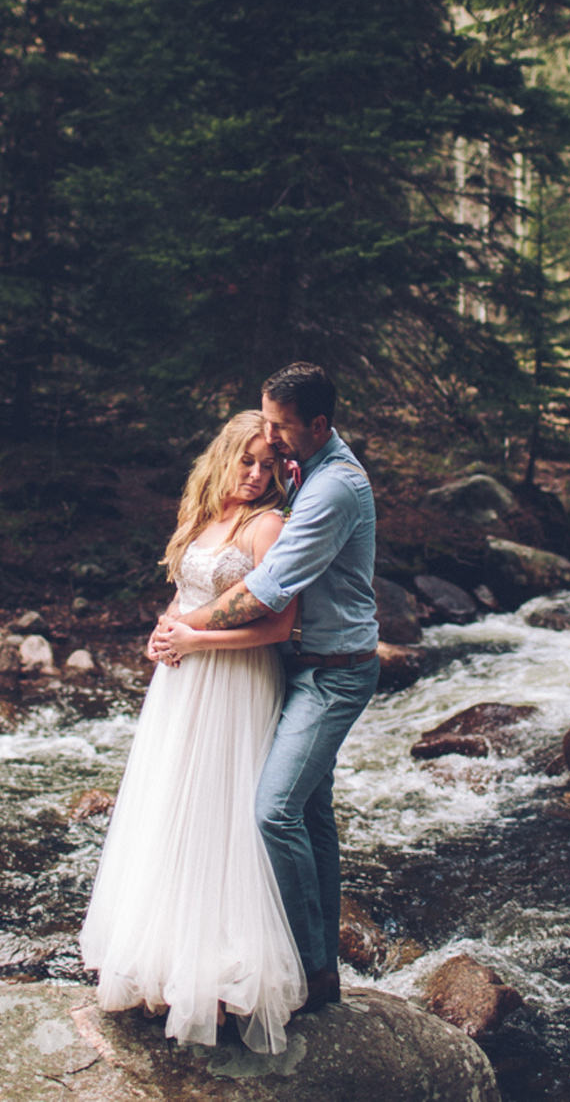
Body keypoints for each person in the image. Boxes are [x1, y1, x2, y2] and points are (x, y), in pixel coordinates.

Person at [78, 410, 307, 1054]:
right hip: (180, 686)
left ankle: (222, 971)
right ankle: (163, 958)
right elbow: (184, 596)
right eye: (247, 462)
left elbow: (279, 627)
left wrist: (197, 637)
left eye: (268, 466)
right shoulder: (198, 518)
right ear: (224, 456)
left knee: (220, 811)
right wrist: (163, 630)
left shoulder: (271, 526)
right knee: (170, 806)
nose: (257, 476)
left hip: (236, 680)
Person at [154, 362, 378, 1015]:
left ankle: (311, 970)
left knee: (273, 810)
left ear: (317, 425)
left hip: (332, 671)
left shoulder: (335, 486)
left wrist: (183, 626)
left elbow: (265, 593)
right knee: (311, 815)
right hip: (300, 665)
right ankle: (321, 964)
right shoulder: (303, 466)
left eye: (279, 428)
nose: (271, 443)